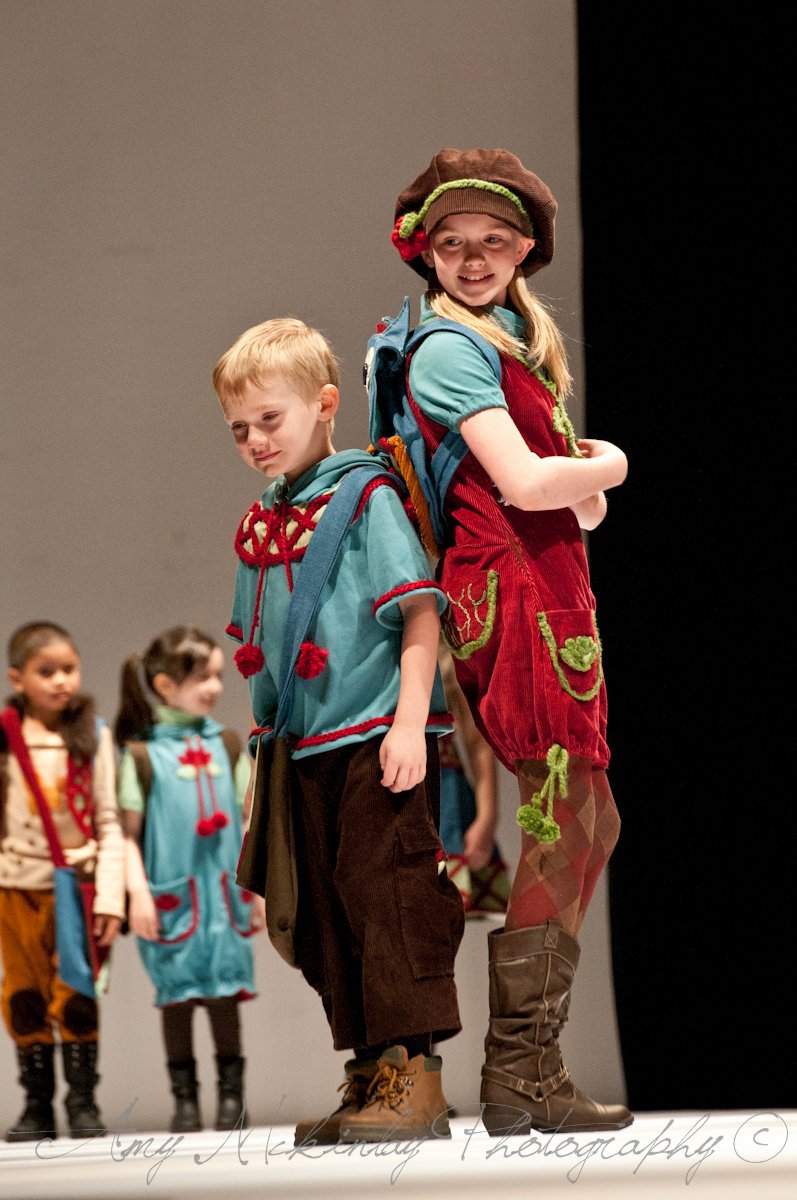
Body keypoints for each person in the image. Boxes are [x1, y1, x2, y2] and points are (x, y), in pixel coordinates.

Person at [389, 147, 631, 1134]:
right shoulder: (451, 350)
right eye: (452, 244)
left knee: (586, 818)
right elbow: (539, 490)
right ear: (426, 254)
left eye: (492, 241)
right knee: (562, 810)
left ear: (523, 249)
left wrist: (579, 482)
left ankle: (526, 1066)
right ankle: (519, 1072)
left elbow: (574, 516)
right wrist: (610, 461)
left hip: (550, 592)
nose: (472, 256)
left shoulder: (509, 343)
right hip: (515, 596)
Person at [212, 316, 464, 1145]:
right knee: (322, 908)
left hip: (373, 735)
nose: (254, 439)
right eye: (239, 427)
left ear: (325, 405)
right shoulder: (265, 519)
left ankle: (414, 1075)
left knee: (387, 895)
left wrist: (406, 726)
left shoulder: (363, 497)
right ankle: (368, 1069)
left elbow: (419, 613)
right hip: (303, 746)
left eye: (270, 419)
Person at [114, 625, 264, 1133]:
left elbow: (250, 821)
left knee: (224, 995)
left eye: (218, 677)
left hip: (224, 898)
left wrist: (259, 889)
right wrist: (136, 893)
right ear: (163, 685)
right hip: (171, 900)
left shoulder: (224, 744)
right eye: (203, 677)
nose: (215, 688)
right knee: (176, 996)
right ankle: (184, 1101)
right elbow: (125, 837)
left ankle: (231, 1099)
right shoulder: (139, 756)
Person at [0, 621, 125, 1141]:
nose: (60, 681)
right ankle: (36, 1107)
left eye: (68, 668)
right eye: (45, 671)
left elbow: (109, 820)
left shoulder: (92, 735)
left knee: (76, 992)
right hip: (13, 888)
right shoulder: (5, 737)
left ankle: (82, 1102)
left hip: (75, 887)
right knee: (23, 994)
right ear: (17, 677)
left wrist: (112, 897)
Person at [437, 647, 509, 918]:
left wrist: (487, 815)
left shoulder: (446, 652)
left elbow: (477, 740)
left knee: (441, 918)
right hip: (387, 791)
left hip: (444, 798)